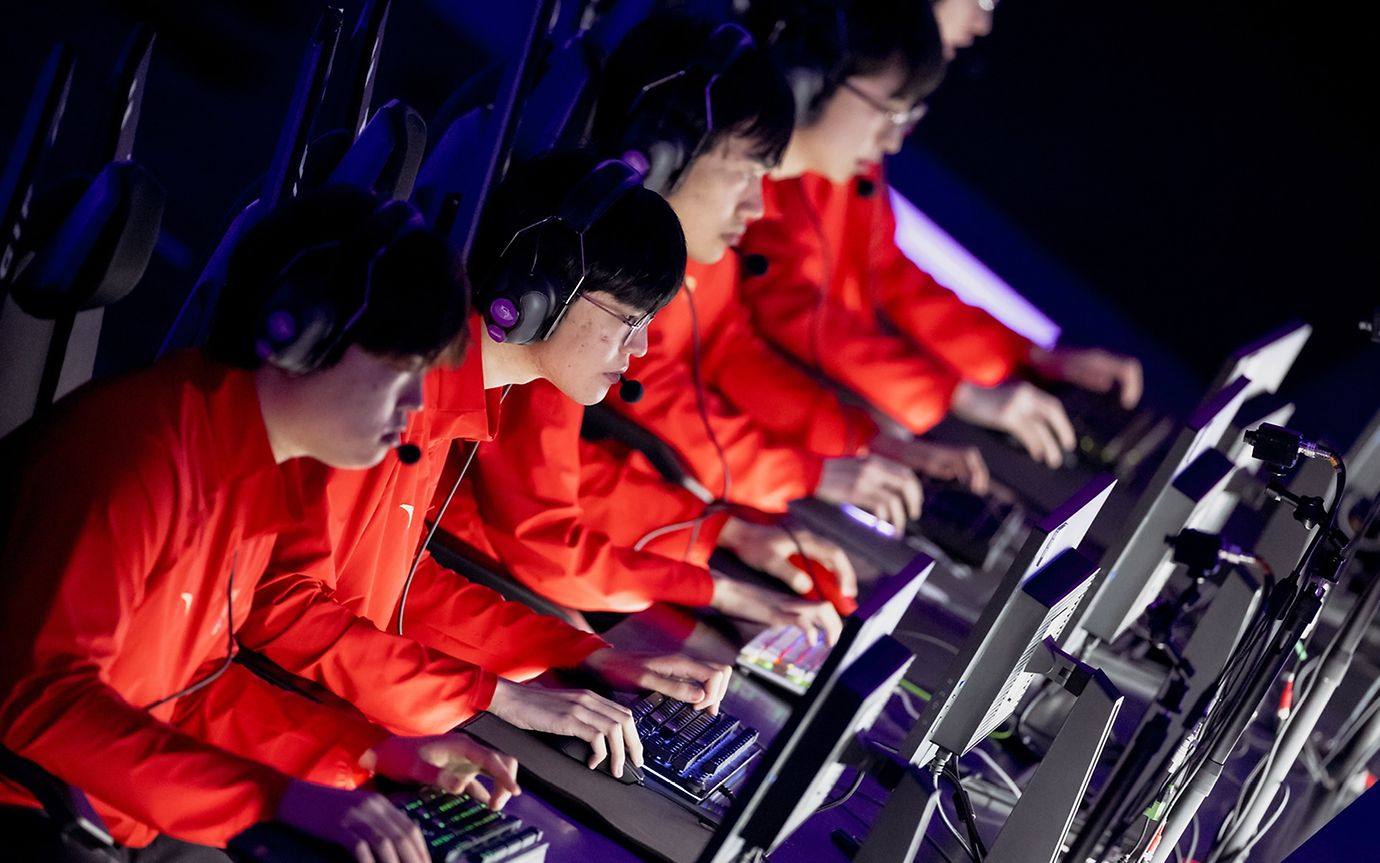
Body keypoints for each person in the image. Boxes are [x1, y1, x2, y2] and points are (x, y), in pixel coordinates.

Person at [0, 188, 519, 863]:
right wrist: (273, 800)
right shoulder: (138, 456)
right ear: (302, 336)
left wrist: (372, 750)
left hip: (121, 815)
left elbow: (193, 689)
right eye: (404, 370)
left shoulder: (247, 463)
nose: (419, 401)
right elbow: (41, 703)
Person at [238, 159, 734, 785]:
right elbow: (283, 608)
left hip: (339, 711)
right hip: (282, 724)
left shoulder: (458, 395)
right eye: (627, 320)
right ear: (537, 297)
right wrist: (498, 696)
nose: (637, 352)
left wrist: (585, 655)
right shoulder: (392, 394)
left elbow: (395, 586)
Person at [584, 11, 989, 564]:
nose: (895, 138)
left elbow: (730, 346)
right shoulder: (659, 240)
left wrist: (862, 444)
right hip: (648, 499)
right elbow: (652, 382)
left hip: (690, 493)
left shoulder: (715, 228)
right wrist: (804, 472)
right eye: (888, 109)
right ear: (811, 86)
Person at [435, 149, 844, 642]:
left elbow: (572, 476)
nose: (758, 204)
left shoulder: (547, 358)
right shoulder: (435, 399)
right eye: (632, 321)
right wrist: (709, 587)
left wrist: (714, 535)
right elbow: (541, 539)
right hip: (472, 581)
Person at [737, 0, 1144, 470]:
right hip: (784, 432)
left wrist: (1024, 356)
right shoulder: (804, 132)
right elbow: (784, 300)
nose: (983, 23)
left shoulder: (857, 119)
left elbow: (883, 268)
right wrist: (943, 397)